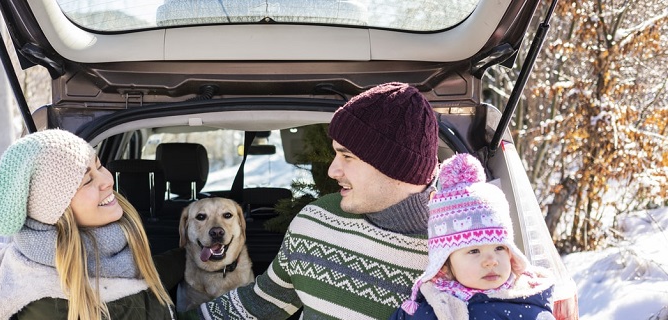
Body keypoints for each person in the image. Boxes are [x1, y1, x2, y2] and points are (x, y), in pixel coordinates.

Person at [185, 82, 440, 319]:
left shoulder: (455, 250)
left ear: (394, 165)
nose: (332, 171)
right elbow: (262, 302)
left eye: (347, 156)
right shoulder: (317, 218)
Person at [0, 129, 183, 320]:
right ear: (58, 210)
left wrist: (189, 256)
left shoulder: (110, 250)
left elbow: (145, 274)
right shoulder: (49, 302)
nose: (107, 180)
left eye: (99, 166)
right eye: (88, 180)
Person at [390, 153, 555, 320]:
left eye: (499, 247)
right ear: (444, 264)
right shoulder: (433, 308)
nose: (491, 261)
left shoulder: (528, 302)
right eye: (474, 251)